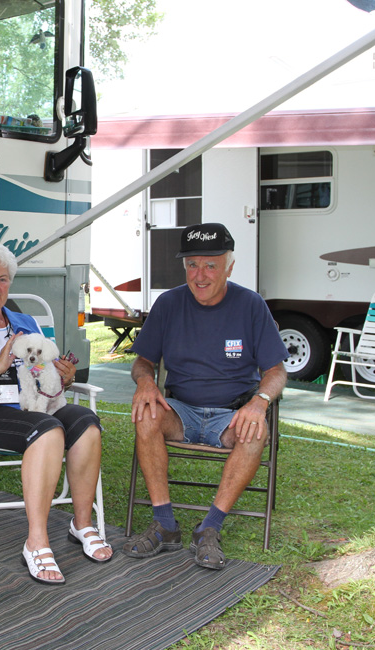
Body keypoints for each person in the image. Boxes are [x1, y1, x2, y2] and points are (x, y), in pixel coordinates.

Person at [0, 243, 112, 585]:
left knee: (86, 423)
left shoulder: (26, 323)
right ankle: (36, 542)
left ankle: (82, 523)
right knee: (47, 430)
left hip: (35, 406)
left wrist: (64, 376)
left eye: (2, 279)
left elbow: (44, 370)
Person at [122, 223, 288, 570]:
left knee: (254, 430)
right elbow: (143, 361)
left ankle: (209, 527)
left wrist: (259, 402)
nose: (200, 275)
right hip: (180, 409)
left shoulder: (251, 305)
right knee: (146, 413)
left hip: (232, 413)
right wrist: (146, 382)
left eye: (211, 265)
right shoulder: (168, 304)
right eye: (192, 265)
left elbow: (276, 371)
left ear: (229, 267)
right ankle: (165, 524)